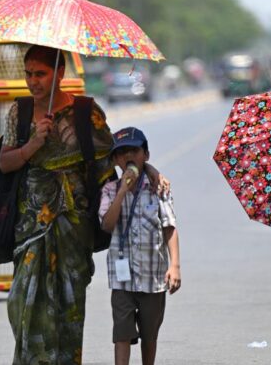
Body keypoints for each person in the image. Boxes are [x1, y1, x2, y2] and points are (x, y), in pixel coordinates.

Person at [0, 45, 167, 364]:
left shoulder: (86, 113)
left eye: (40, 74)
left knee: (68, 307)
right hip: (31, 226)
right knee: (21, 300)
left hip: (74, 228)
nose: (33, 82)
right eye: (28, 74)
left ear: (60, 74)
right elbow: (5, 163)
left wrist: (149, 169)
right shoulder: (18, 113)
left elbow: (111, 161)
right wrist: (34, 143)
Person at [99, 127, 180, 365]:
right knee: (121, 334)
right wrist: (123, 190)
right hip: (121, 278)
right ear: (115, 160)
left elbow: (169, 227)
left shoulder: (159, 189)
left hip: (152, 277)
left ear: (146, 154)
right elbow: (107, 224)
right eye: (121, 153)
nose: (128, 157)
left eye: (133, 150)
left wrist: (175, 265)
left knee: (149, 334)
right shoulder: (110, 190)